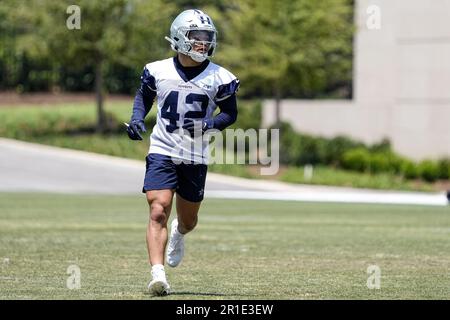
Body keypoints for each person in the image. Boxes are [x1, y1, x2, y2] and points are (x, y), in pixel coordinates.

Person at [126, 9, 239, 296]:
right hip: (162, 149)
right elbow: (144, 97)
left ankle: (179, 233)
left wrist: (208, 124)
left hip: (194, 155)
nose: (203, 43)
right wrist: (138, 117)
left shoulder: (220, 77)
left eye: (207, 38)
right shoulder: (158, 70)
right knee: (157, 209)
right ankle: (157, 274)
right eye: (197, 37)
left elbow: (230, 113)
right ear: (180, 37)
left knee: (188, 220)